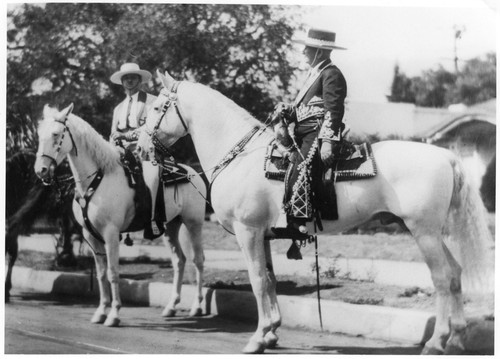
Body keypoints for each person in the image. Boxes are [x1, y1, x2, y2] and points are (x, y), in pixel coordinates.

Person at [272, 28, 348, 239]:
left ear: (320, 52)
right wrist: (288, 111)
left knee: (301, 164)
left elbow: (334, 110)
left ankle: (298, 222)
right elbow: (306, 108)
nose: (304, 51)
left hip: (317, 133)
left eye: (309, 48)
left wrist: (327, 142)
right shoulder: (315, 74)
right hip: (303, 132)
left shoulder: (332, 74)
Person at [110, 62, 163, 240]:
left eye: (133, 77)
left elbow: (151, 126)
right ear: (122, 82)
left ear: (140, 79)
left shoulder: (152, 101)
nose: (129, 80)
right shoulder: (118, 108)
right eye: (126, 77)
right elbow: (112, 133)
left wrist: (129, 136)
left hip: (144, 149)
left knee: (152, 176)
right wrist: (114, 140)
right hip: (121, 153)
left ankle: (152, 219)